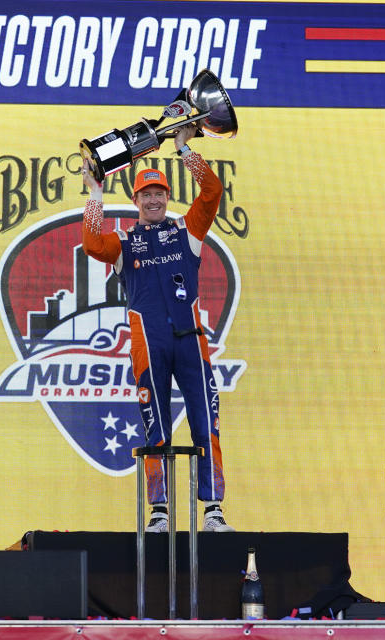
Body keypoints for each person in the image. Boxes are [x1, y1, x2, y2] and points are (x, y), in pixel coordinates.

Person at [81, 124, 233, 533]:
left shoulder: (188, 229)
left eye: (159, 193)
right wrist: (95, 194)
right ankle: (160, 511)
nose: (153, 199)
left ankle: (213, 510)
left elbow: (212, 192)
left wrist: (184, 150)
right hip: (149, 345)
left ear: (167, 197)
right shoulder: (124, 241)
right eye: (146, 194)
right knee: (156, 424)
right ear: (136, 200)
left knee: (206, 421)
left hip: (191, 341)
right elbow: (93, 245)